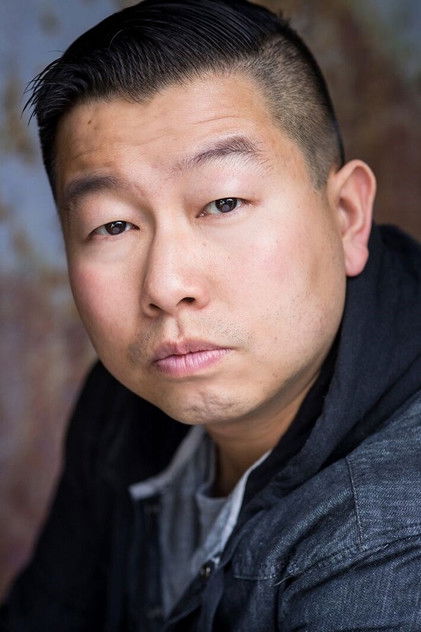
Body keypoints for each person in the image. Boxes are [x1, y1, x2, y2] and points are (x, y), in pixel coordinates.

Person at [2, 0, 421, 629]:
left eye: (223, 203)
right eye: (113, 225)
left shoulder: (389, 542)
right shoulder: (131, 403)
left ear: (346, 217)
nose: (166, 287)